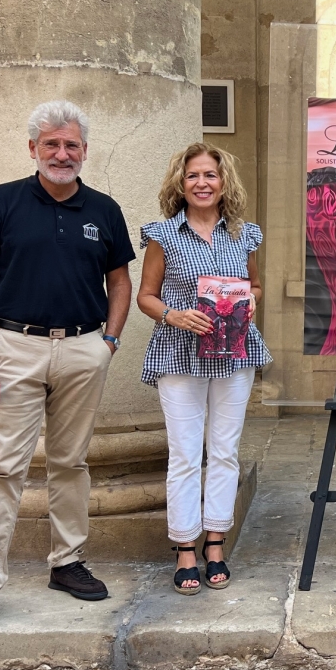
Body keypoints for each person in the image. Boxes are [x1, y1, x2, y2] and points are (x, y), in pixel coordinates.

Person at [0, 100, 134, 633]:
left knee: (71, 462)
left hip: (83, 348)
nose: (61, 153)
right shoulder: (1, 201)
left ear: (85, 151)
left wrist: (108, 342)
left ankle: (67, 562)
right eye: (51, 144)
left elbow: (120, 281)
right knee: (4, 467)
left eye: (71, 144)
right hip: (15, 348)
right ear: (33, 148)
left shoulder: (104, 209)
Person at [136, 142, 270, 595]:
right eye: (193, 175)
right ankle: (184, 548)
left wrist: (251, 299)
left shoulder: (244, 234)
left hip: (235, 351)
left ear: (223, 182)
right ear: (181, 183)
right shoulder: (163, 235)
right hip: (180, 353)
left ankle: (215, 542)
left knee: (225, 451)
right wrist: (173, 315)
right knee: (185, 454)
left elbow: (255, 284)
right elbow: (146, 296)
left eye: (210, 175)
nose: (202, 183)